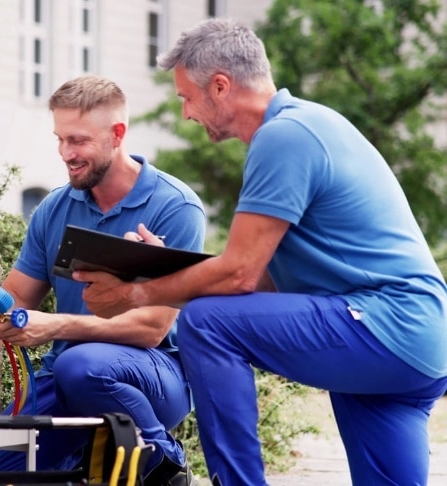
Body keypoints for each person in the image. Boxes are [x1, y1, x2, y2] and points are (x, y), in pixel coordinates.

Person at [75, 18, 447, 486]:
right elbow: (264, 280)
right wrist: (158, 270)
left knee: (206, 324)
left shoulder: (284, 136)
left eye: (186, 97)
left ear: (221, 86)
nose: (187, 113)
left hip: (383, 324)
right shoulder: (308, 125)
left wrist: (136, 295)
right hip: (417, 342)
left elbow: (239, 278)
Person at [0, 75, 206, 486]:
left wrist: (55, 326)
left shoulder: (174, 207)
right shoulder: (54, 209)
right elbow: (19, 297)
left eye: (77, 141)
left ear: (117, 135)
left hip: (159, 374)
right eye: (60, 139)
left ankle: (166, 467)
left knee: (81, 365)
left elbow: (151, 329)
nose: (65, 153)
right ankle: (89, 459)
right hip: (66, 375)